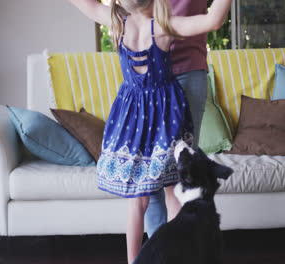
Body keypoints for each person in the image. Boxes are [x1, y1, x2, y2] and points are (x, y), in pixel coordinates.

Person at [69, 0, 232, 263]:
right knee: (173, 191)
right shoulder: (163, 28)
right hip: (166, 115)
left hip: (132, 119)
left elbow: (85, 5)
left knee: (137, 201)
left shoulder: (118, 22)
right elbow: (213, 21)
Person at [144, 0, 210, 238]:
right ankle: (158, 252)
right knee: (152, 182)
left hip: (187, 73)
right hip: (148, 78)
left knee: (181, 178)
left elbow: (213, 20)